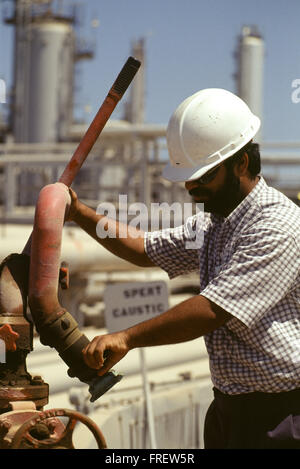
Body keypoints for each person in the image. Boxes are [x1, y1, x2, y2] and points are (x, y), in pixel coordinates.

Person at [67, 88, 300, 449]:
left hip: (279, 418)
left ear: (241, 163)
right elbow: (145, 248)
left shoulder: (278, 226)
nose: (191, 186)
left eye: (203, 175)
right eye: (188, 176)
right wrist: (79, 213)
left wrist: (126, 337)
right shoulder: (216, 223)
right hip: (229, 409)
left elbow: (211, 310)